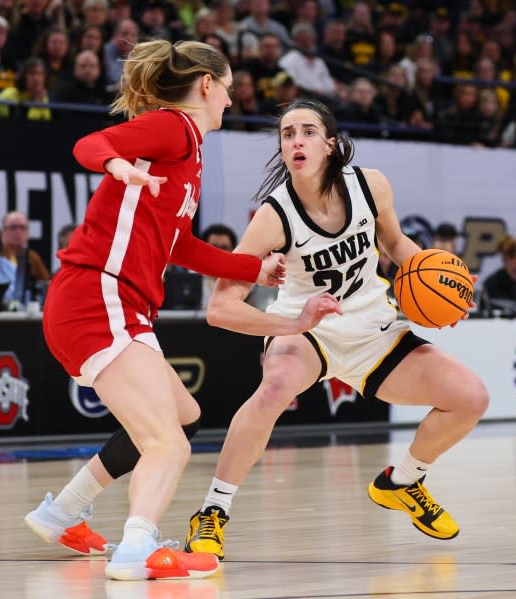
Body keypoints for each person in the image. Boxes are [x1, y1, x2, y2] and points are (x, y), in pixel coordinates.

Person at [22, 39, 285, 582]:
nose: (231, 103)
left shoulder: (190, 152)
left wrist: (250, 270)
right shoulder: (171, 127)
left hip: (118, 304)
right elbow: (90, 142)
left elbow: (180, 246)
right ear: (206, 86)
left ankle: (63, 511)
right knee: (167, 442)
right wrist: (118, 165)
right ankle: (136, 548)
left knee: (181, 416)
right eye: (229, 90)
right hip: (99, 297)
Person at [182, 99, 488, 559]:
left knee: (471, 398)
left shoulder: (371, 185)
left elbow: (394, 243)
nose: (296, 140)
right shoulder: (273, 216)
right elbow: (221, 308)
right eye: (287, 134)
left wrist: (448, 282)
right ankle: (212, 512)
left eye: (307, 131)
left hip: (372, 328)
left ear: (329, 144)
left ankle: (402, 482)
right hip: (308, 331)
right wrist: (291, 323)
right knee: (273, 389)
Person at [0, 211, 50, 304]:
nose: (18, 231)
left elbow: (45, 284)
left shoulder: (33, 257)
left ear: (28, 232)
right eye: (13, 227)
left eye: (23, 228)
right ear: (3, 231)